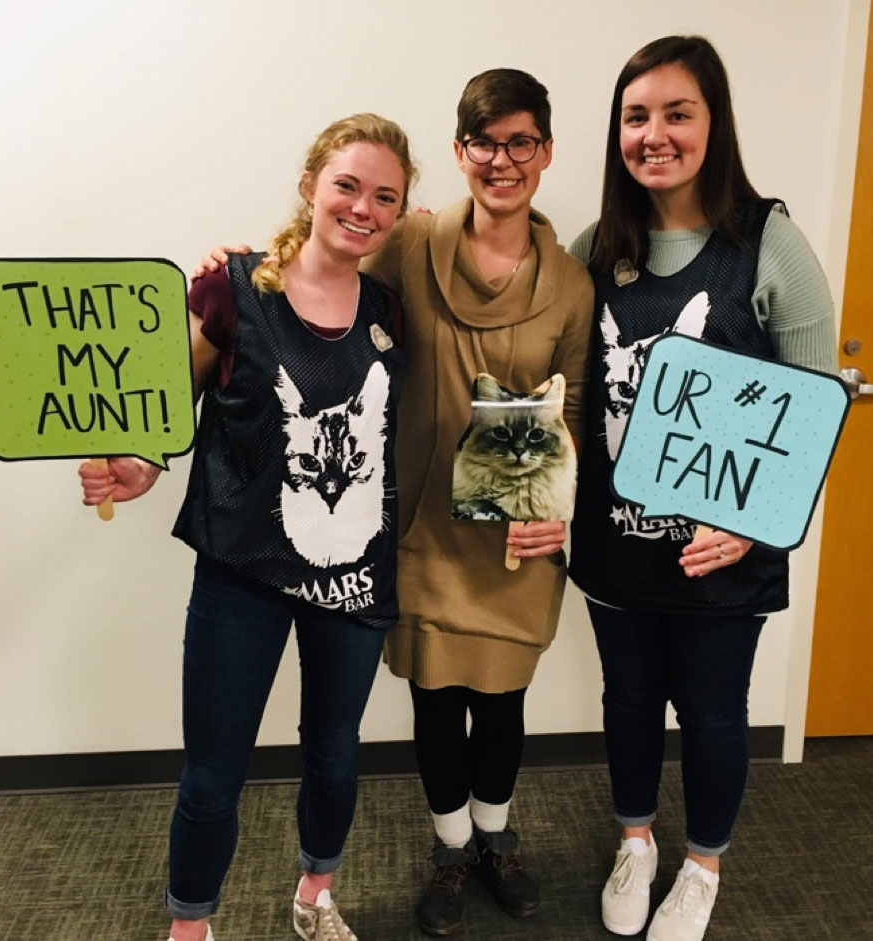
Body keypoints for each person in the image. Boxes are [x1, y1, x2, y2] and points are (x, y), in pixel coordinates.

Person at [196, 68, 594, 937]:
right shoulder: (412, 244)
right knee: (434, 696)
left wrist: (554, 503)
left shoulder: (569, 278)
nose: (501, 158)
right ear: (459, 153)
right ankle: (450, 846)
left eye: (520, 141)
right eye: (483, 142)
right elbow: (312, 262)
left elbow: (567, 407)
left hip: (515, 517)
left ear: (545, 153)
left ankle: (496, 837)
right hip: (415, 520)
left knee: (501, 699)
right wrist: (229, 274)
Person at [79, 113, 416, 941]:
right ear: (309, 186)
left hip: (354, 576)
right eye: (346, 184)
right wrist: (141, 467)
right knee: (213, 772)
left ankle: (314, 895)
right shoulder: (232, 285)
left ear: (401, 213)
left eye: (384, 195)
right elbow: (171, 407)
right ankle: (190, 925)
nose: (362, 207)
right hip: (241, 571)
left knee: (334, 754)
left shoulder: (393, 311)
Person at [568, 36, 838, 941]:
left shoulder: (771, 243)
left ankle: (702, 864)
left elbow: (813, 411)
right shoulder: (594, 249)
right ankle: (637, 841)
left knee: (716, 712)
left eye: (676, 113)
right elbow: (550, 379)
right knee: (628, 700)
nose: (654, 134)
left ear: (712, 123)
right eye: (635, 116)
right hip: (616, 547)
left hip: (724, 554)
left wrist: (757, 529)